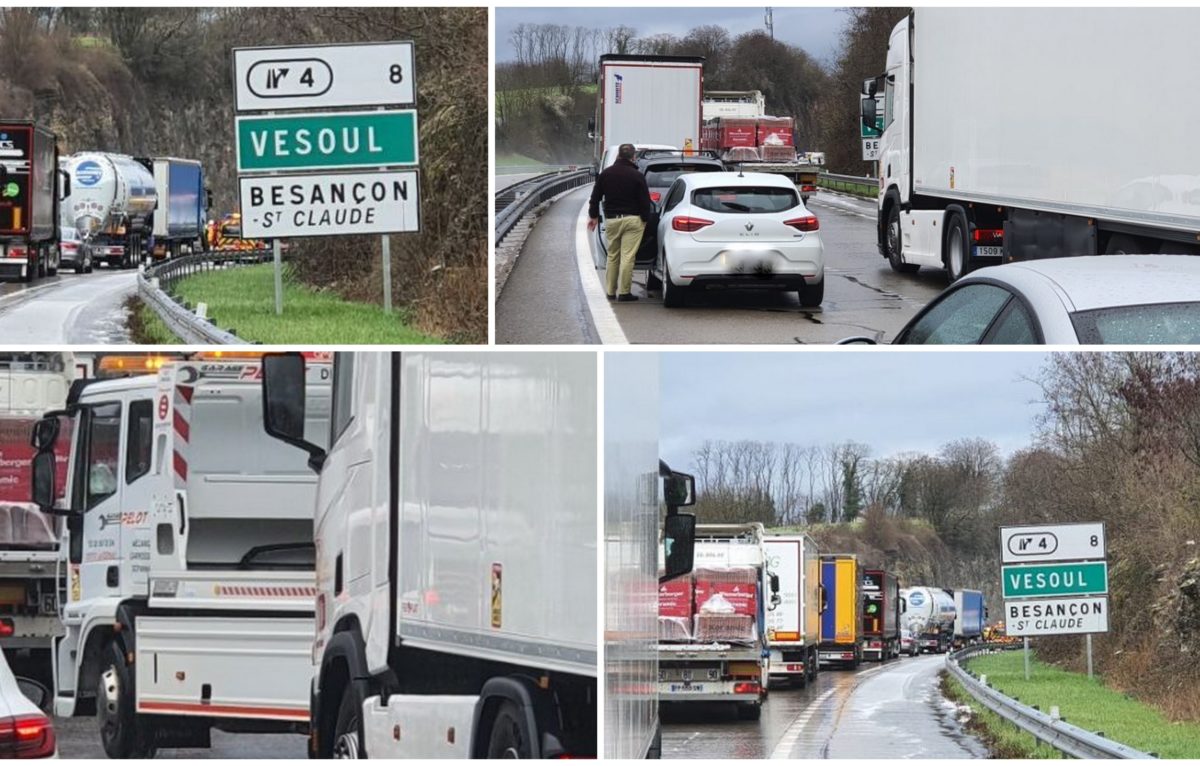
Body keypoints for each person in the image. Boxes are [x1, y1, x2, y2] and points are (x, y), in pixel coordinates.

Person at [587, 143, 653, 302]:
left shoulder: (606, 174)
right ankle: (624, 292)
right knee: (628, 257)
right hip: (633, 220)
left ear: (618, 156)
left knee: (612, 256)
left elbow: (595, 198)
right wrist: (645, 219)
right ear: (633, 157)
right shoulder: (637, 176)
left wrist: (594, 216)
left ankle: (610, 291)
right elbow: (645, 201)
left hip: (612, 220)